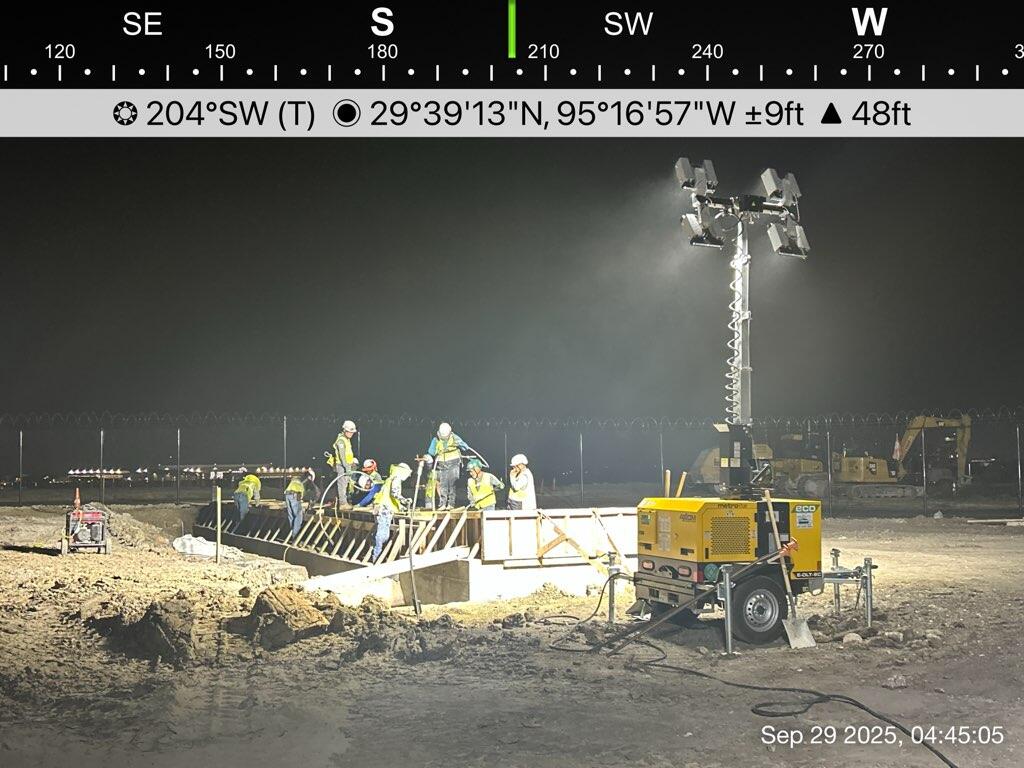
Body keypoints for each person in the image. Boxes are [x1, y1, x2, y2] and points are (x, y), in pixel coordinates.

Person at [371, 462, 412, 561]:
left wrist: (401, 507)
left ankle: (376, 554)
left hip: (381, 506)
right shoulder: (396, 479)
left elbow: (389, 496)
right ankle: (377, 557)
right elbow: (395, 493)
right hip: (385, 508)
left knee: (380, 531)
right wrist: (405, 501)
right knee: (383, 534)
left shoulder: (390, 479)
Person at [426, 422, 470, 511]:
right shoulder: (436, 440)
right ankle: (442, 504)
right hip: (442, 464)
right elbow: (431, 451)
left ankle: (451, 504)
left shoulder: (455, 438)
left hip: (454, 463)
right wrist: (432, 454)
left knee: (452, 483)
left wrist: (460, 444)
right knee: (443, 484)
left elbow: (465, 447)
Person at [329, 419, 358, 508]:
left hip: (347, 465)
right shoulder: (341, 441)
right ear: (345, 430)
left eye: (352, 432)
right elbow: (342, 456)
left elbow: (347, 454)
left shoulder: (346, 440)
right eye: (350, 432)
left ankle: (343, 502)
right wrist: (346, 467)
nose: (351, 434)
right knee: (342, 485)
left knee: (345, 485)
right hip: (342, 466)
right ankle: (342, 503)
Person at [284, 470, 313, 538]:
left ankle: (292, 533)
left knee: (291, 516)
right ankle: (295, 536)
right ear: (308, 477)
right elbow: (301, 493)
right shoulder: (304, 480)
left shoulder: (296, 478)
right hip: (295, 494)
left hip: (287, 495)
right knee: (298, 516)